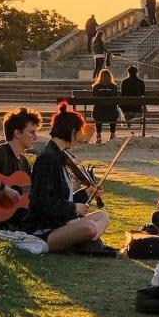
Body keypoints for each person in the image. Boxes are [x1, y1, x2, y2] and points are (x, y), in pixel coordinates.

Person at [24, 103, 111, 254]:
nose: (79, 137)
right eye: (79, 132)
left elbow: (65, 198)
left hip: (63, 223)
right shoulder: (47, 159)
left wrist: (86, 193)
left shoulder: (60, 156)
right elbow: (40, 202)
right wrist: (73, 208)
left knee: (103, 216)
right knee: (89, 227)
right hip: (46, 230)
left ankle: (84, 243)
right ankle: (87, 242)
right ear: (72, 132)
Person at [92, 69, 119, 142]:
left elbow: (94, 96)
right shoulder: (113, 86)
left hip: (98, 112)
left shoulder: (96, 86)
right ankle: (112, 134)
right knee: (112, 113)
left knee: (99, 114)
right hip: (112, 113)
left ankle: (98, 134)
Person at [120, 66, 145, 132]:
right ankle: (130, 116)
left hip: (126, 106)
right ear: (137, 72)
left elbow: (122, 94)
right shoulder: (141, 82)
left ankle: (128, 118)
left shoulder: (124, 81)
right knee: (135, 105)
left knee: (122, 105)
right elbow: (143, 94)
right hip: (137, 106)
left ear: (128, 72)